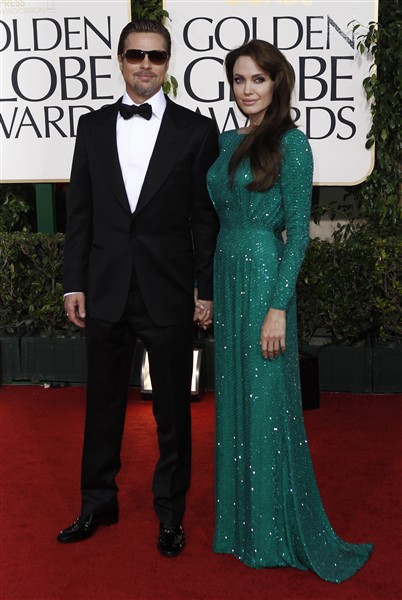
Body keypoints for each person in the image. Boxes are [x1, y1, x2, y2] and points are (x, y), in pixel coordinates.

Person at [206, 39, 373, 582]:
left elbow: (298, 234)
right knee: (234, 399)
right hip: (227, 273)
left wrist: (278, 307)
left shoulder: (292, 144)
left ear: (277, 83)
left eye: (258, 79)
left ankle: (275, 531)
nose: (247, 90)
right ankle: (239, 527)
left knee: (266, 402)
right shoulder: (229, 139)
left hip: (261, 276)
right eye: (238, 80)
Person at [57, 19, 219, 558]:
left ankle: (170, 513)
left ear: (167, 63)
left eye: (155, 55)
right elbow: (78, 211)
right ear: (120, 60)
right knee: (101, 404)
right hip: (104, 288)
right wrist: (72, 282)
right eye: (135, 54)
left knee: (173, 410)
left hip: (168, 289)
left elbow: (204, 220)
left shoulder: (197, 131)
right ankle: (96, 503)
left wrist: (206, 289)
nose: (144, 64)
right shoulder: (93, 126)